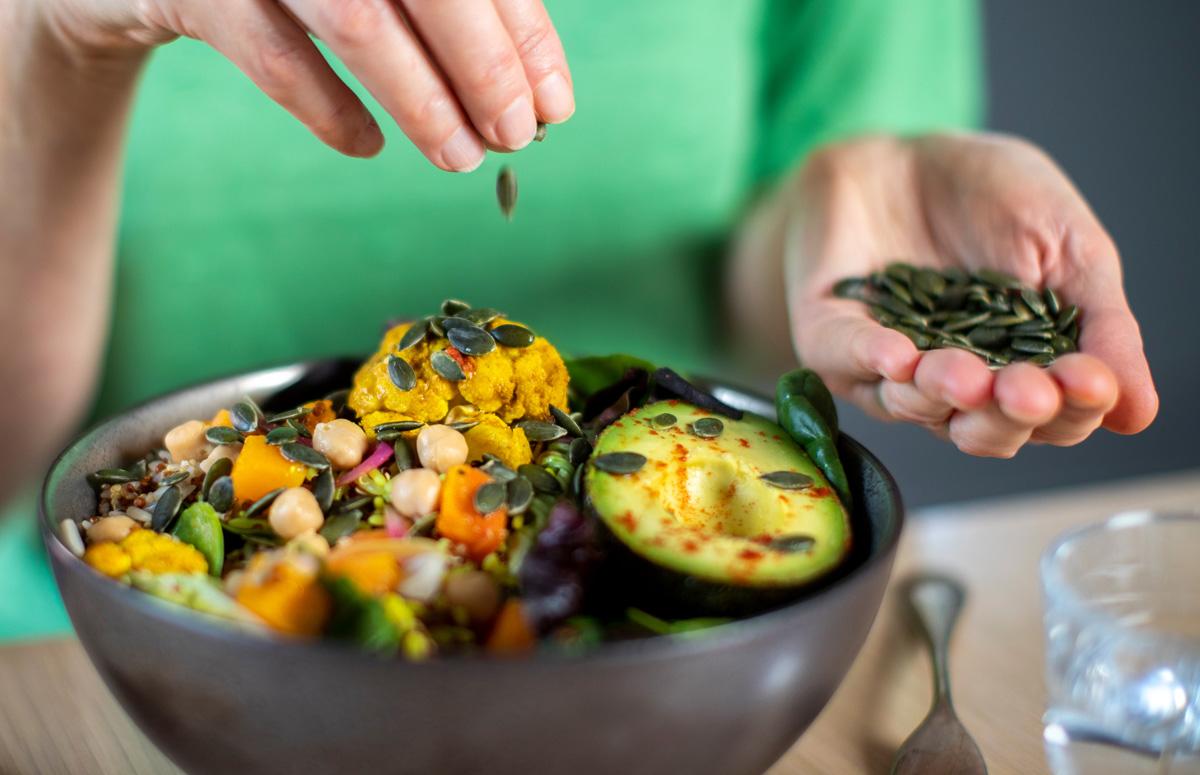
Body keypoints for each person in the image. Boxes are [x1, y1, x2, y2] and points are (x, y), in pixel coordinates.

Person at [0, 0, 1156, 639]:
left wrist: (836, 205)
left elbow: (753, 336)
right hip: (88, 679)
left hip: (658, 660)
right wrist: (51, 41)